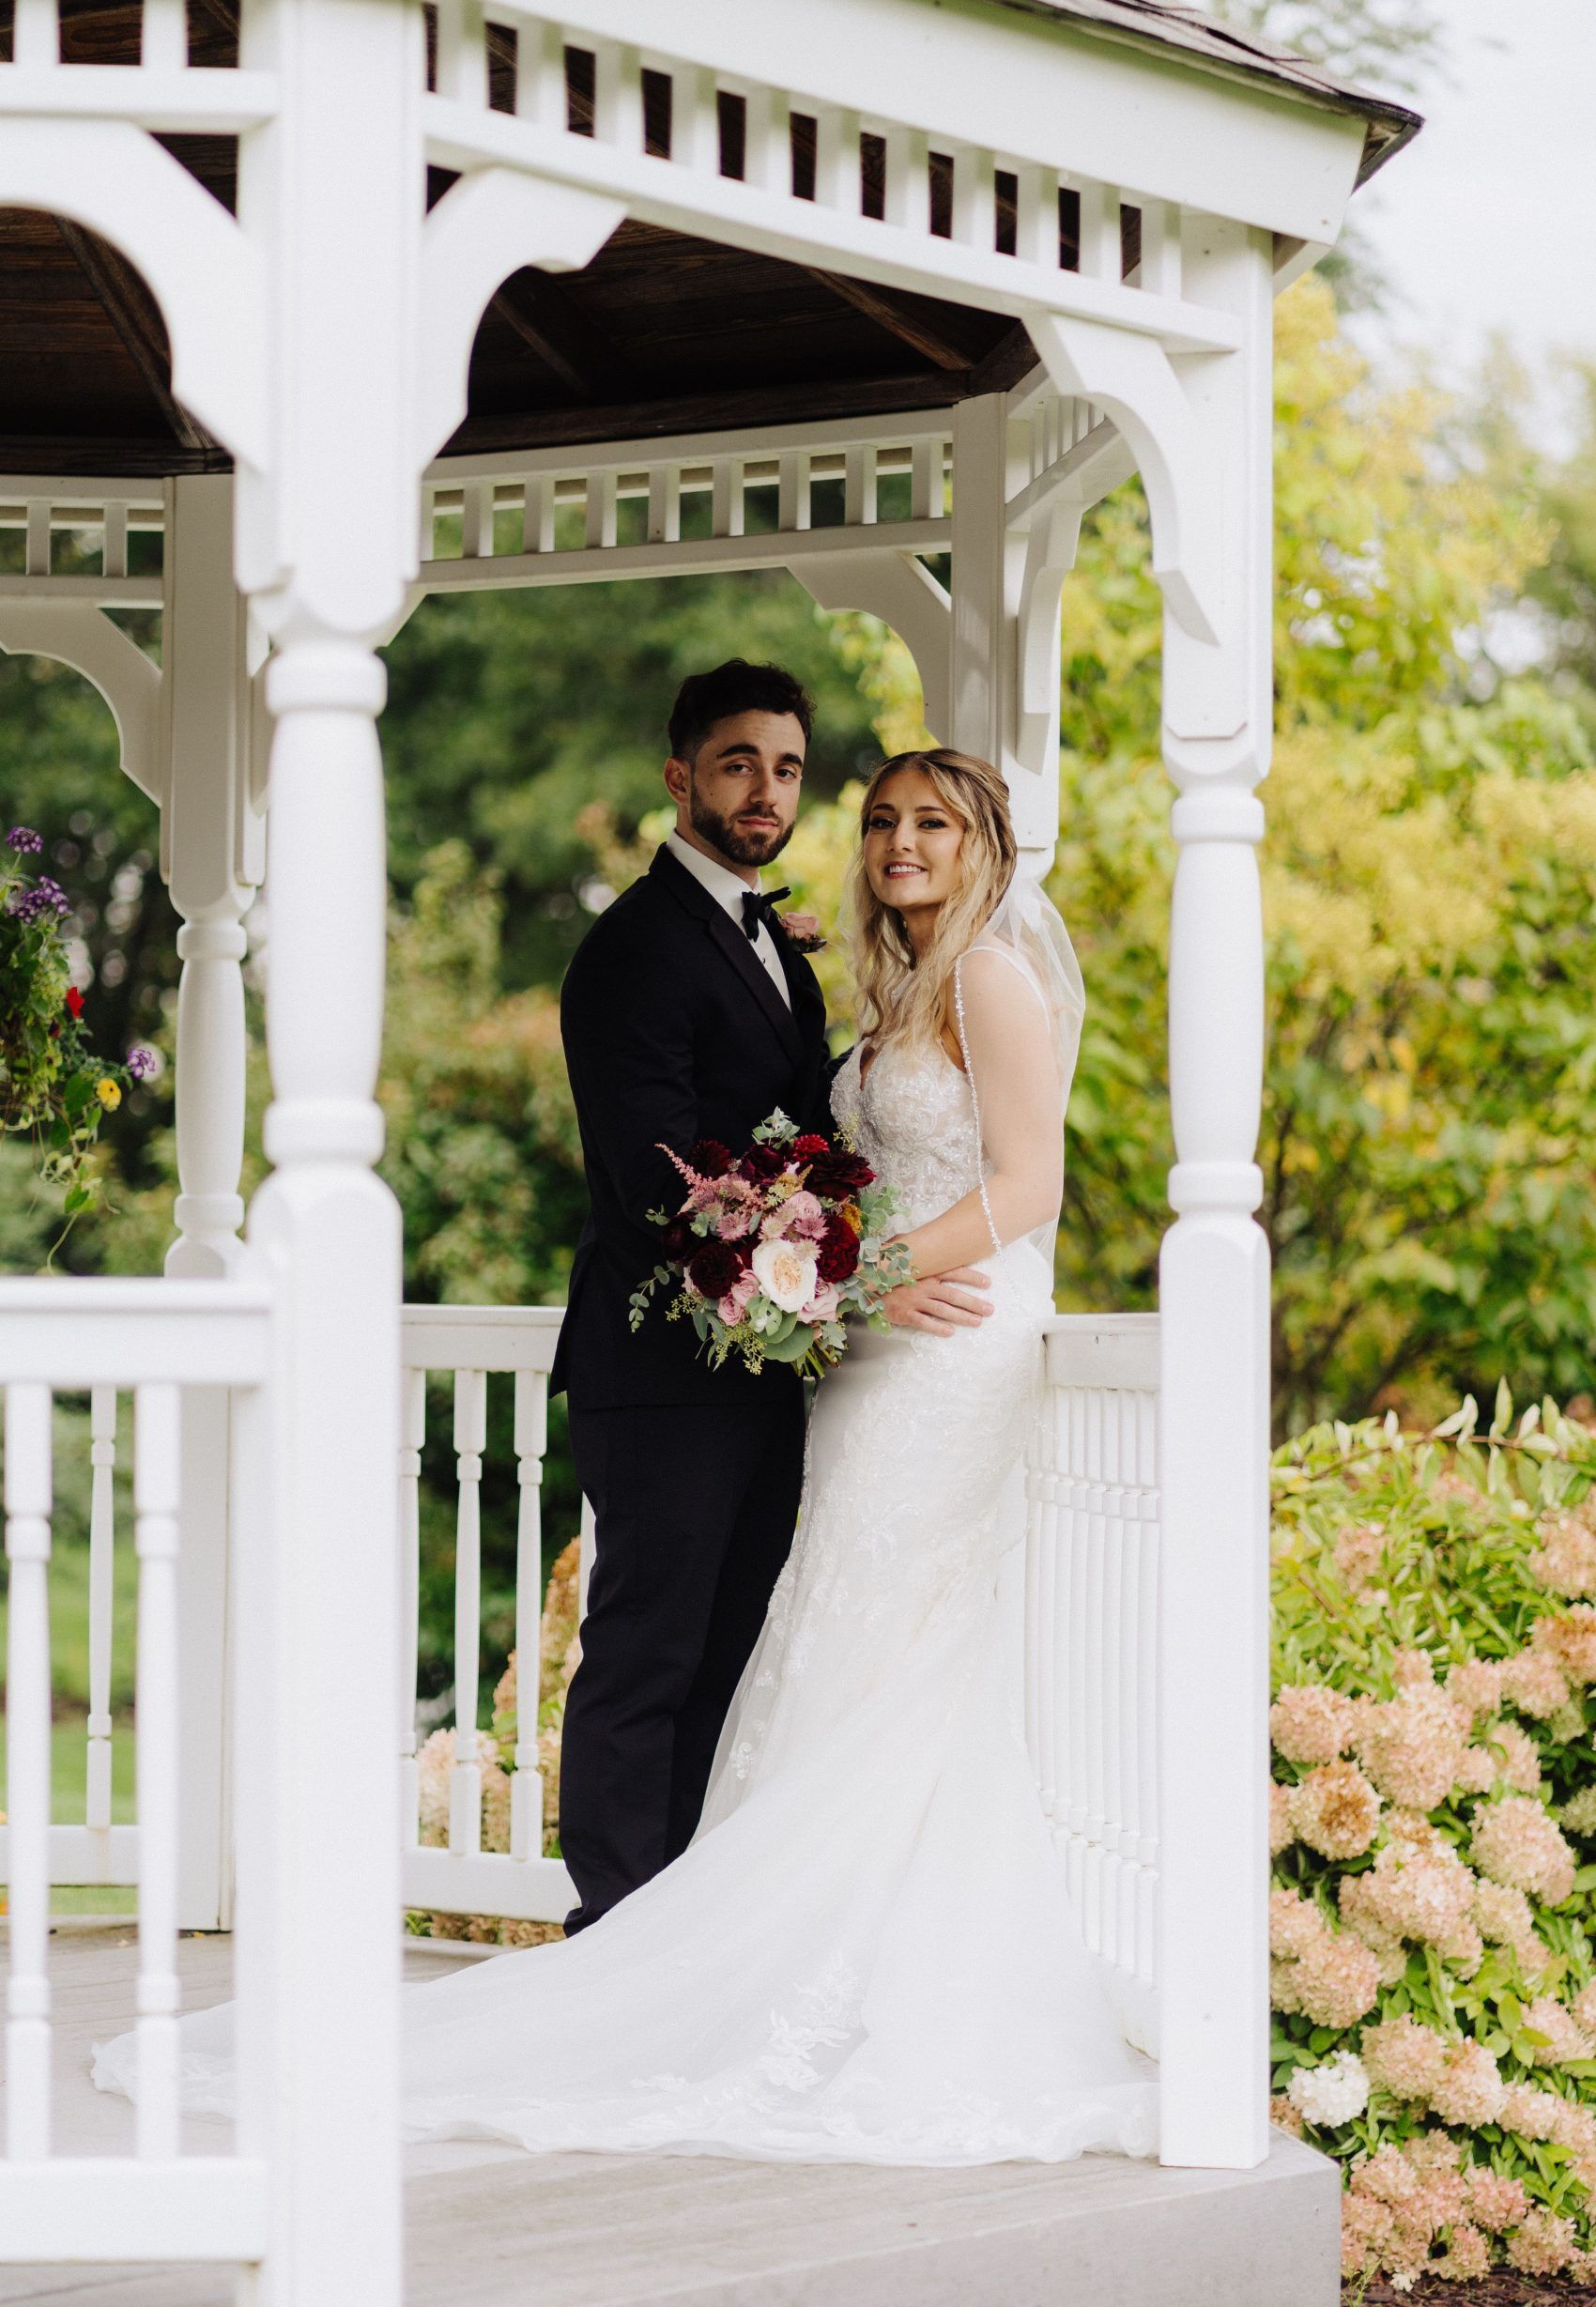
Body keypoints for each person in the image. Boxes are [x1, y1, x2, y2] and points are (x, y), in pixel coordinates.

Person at [97, 745, 1157, 2166]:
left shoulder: (990, 984)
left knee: (904, 1651)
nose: (903, 842)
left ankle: (881, 1973)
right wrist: (839, 1282)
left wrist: (868, 1273)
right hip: (870, 1353)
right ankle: (767, 1961)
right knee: (830, 1643)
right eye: (888, 819)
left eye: (937, 825)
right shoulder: (893, 989)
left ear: (987, 848)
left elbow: (1032, 1185)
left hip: (949, 1354)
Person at [552, 661, 994, 1931]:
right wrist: (854, 1274)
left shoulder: (775, 948)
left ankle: (677, 1927)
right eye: (738, 762)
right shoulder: (635, 948)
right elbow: (658, 1177)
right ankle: (609, 1930)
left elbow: (808, 1142)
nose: (766, 789)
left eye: (788, 767)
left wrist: (836, 1275)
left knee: (729, 1659)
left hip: (767, 1371)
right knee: (648, 1656)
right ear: (680, 775)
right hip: (662, 1379)